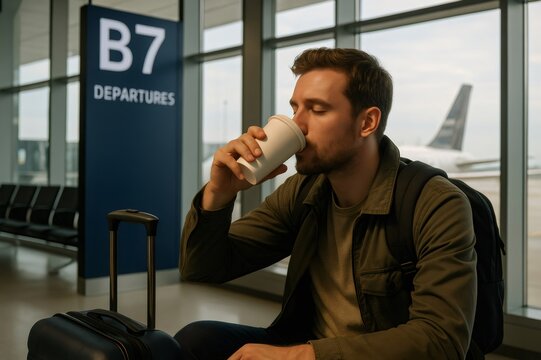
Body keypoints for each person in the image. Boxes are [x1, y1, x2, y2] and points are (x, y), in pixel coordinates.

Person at [175, 47, 477, 359]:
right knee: (197, 339)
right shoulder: (305, 191)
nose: (298, 125)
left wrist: (303, 356)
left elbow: (442, 340)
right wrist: (219, 193)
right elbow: (202, 269)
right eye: (295, 109)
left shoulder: (436, 203)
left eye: (317, 110)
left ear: (367, 123)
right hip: (306, 341)